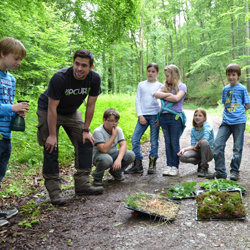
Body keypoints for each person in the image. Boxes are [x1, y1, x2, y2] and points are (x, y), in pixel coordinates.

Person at [36, 49, 104, 206]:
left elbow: (91, 105)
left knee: (86, 141)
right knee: (51, 146)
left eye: (84, 66)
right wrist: (52, 135)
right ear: (73, 63)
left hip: (71, 111)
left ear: (91, 67)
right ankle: (54, 192)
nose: (79, 68)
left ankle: (83, 184)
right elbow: (52, 108)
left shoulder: (94, 79)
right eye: (76, 64)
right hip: (49, 109)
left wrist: (86, 130)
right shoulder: (60, 78)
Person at [0, 37, 29, 226]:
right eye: (15, 58)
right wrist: (12, 108)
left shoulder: (11, 79)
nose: (18, 63)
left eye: (20, 60)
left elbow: (8, 105)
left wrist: (17, 112)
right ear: (2, 54)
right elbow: (6, 106)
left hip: (5, 135)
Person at [207, 63, 250, 181]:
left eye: (233, 75)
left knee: (237, 148)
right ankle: (220, 171)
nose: (231, 77)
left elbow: (247, 104)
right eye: (229, 75)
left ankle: (234, 171)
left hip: (239, 122)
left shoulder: (242, 89)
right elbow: (224, 103)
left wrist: (240, 111)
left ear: (238, 76)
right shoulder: (225, 89)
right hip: (226, 121)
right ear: (226, 75)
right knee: (217, 145)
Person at [124, 63, 163, 175]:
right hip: (143, 116)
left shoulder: (160, 86)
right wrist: (140, 115)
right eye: (149, 71)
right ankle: (137, 164)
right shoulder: (141, 85)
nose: (150, 73)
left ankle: (152, 163)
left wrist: (159, 116)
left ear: (157, 73)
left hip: (155, 116)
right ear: (146, 71)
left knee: (154, 141)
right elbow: (138, 100)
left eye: (153, 71)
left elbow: (163, 102)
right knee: (135, 138)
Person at [154, 64, 187, 176]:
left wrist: (164, 95)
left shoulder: (182, 86)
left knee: (174, 142)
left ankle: (175, 167)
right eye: (166, 76)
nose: (166, 78)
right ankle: (169, 165)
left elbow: (177, 98)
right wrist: (168, 94)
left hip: (175, 117)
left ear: (174, 75)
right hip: (163, 117)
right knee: (167, 142)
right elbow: (156, 94)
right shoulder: (165, 86)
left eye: (168, 76)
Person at [92, 108, 135, 185]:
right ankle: (97, 177)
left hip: (113, 153)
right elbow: (104, 150)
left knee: (131, 155)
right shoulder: (98, 131)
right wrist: (114, 136)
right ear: (104, 120)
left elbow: (123, 145)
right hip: (100, 156)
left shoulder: (118, 130)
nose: (114, 124)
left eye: (116, 121)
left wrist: (118, 159)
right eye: (111, 121)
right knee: (106, 159)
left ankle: (116, 172)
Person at [177, 108, 214, 177]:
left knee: (204, 142)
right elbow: (193, 146)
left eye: (200, 116)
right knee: (182, 157)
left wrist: (197, 144)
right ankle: (200, 162)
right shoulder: (193, 130)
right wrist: (184, 149)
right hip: (199, 152)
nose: (197, 117)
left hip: (208, 153)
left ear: (204, 118)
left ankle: (204, 167)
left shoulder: (206, 125)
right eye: (196, 115)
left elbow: (205, 137)